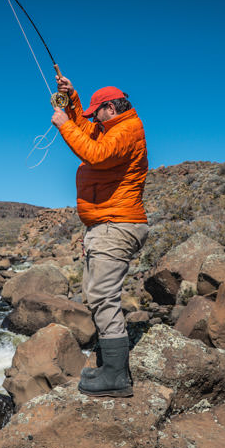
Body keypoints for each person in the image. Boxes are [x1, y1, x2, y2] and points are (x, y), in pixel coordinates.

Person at [50, 74, 148, 397]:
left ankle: (116, 377)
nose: (93, 119)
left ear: (110, 109)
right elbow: (86, 129)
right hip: (106, 225)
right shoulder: (112, 127)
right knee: (93, 296)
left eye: (97, 113)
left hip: (117, 225)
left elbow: (96, 153)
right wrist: (72, 98)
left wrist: (64, 125)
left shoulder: (127, 130)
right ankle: (109, 366)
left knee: (104, 296)